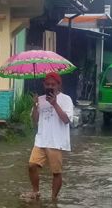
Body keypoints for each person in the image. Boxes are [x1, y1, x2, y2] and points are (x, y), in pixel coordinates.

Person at [21, 72, 74, 201]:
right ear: (44, 85)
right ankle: (36, 192)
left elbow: (67, 120)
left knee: (56, 172)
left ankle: (53, 199)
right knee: (31, 165)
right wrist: (35, 105)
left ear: (58, 85)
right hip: (41, 140)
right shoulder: (40, 99)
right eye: (48, 84)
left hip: (56, 142)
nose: (50, 86)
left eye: (53, 84)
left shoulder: (66, 99)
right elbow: (35, 121)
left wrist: (55, 104)